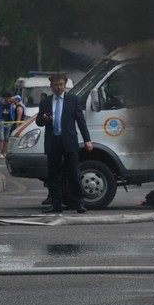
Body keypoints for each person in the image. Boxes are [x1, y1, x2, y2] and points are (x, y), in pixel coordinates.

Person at [36, 72, 92, 214]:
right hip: (53, 141)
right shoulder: (46, 102)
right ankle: (56, 204)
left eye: (61, 84)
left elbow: (81, 121)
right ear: (51, 86)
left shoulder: (73, 100)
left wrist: (87, 140)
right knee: (54, 175)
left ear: (65, 85)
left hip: (69, 141)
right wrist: (44, 119)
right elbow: (38, 121)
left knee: (74, 172)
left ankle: (78, 203)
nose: (59, 87)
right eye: (56, 85)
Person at [0, 91, 14, 159]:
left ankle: (4, 152)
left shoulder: (11, 105)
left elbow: (12, 113)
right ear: (5, 98)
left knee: (6, 139)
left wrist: (12, 121)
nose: (10, 99)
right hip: (1, 123)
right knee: (1, 139)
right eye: (9, 98)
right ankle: (0, 153)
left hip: (8, 123)